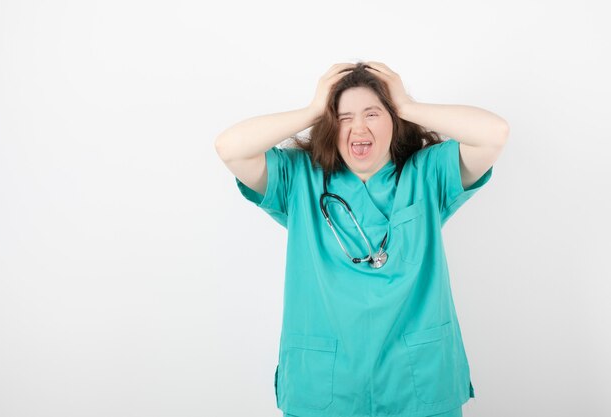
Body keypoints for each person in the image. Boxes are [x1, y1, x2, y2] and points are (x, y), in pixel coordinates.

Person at [214, 62, 509, 417]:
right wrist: (312, 109)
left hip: (417, 381)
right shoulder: (298, 179)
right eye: (343, 117)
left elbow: (495, 133)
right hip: (327, 385)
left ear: (394, 120)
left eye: (373, 113)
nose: (359, 127)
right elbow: (229, 147)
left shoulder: (428, 174)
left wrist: (407, 104)